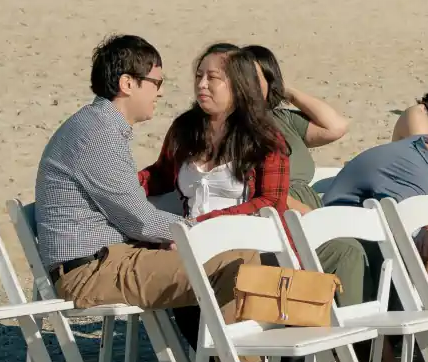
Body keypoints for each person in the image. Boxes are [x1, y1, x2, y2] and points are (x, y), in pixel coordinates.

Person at [33, 35, 245, 312]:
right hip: (90, 271)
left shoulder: (95, 126)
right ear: (128, 84)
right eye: (156, 83)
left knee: (233, 263)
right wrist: (201, 232)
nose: (160, 92)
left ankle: (228, 354)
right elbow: (139, 221)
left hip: (105, 260)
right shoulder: (98, 135)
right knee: (234, 265)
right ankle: (237, 356)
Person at [142, 44, 293, 223]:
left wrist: (206, 222)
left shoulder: (263, 139)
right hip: (190, 239)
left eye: (212, 77)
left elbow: (272, 203)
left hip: (249, 243)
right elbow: (161, 175)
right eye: (199, 76)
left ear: (239, 84)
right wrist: (127, 184)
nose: (201, 84)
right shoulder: (185, 128)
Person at [239, 44, 348, 190]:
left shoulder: (283, 119)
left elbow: (336, 127)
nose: (247, 85)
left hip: (304, 204)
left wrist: (288, 92)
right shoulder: (229, 126)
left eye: (255, 78)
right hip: (281, 208)